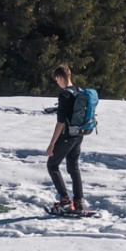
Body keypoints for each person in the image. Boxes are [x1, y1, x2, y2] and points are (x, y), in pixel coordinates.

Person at [45, 63, 87, 215]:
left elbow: (60, 122)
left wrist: (52, 144)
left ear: (59, 77)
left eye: (56, 80)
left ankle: (65, 202)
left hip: (67, 136)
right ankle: (79, 202)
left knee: (52, 165)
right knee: (73, 167)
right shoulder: (79, 91)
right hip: (79, 135)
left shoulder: (64, 95)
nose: (56, 83)